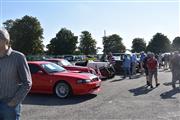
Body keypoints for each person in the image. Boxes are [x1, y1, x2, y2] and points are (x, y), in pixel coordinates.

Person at [0, 28, 32, 120]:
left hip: (9, 106)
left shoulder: (18, 57)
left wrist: (14, 102)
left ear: (5, 40)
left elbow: (27, 82)